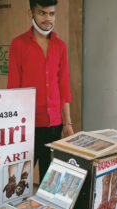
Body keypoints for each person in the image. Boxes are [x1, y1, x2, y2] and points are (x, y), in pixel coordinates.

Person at [7, 0, 74, 181]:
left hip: (54, 124)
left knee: (49, 179)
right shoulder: (18, 44)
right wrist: (15, 126)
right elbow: (13, 88)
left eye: (51, 14)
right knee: (20, 177)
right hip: (28, 126)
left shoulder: (60, 46)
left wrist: (67, 123)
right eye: (42, 13)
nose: (47, 19)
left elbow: (64, 86)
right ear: (32, 13)